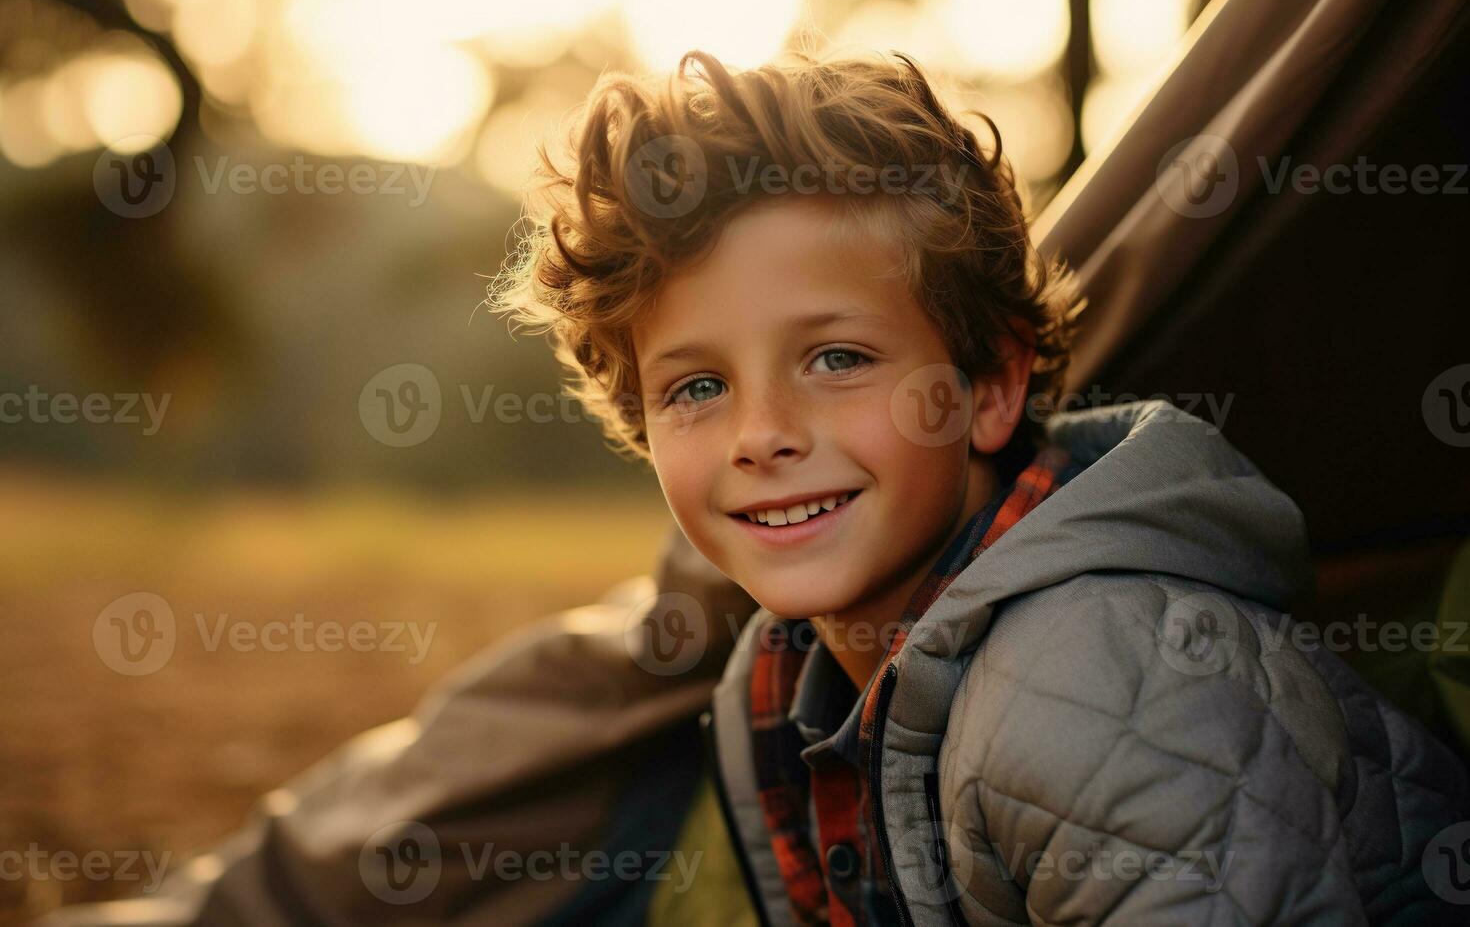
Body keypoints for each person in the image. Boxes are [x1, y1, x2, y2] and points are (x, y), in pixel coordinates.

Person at [44, 48, 1470, 926]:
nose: (760, 434)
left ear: (991, 385)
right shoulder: (780, 678)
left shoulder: (1094, 678)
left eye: (836, 357)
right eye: (695, 386)